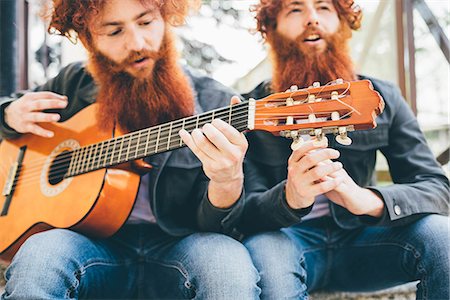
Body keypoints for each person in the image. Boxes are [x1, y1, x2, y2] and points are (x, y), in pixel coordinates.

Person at [0, 0, 260, 299]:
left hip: (181, 247)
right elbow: (13, 109)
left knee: (228, 262)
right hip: (88, 247)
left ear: (165, 18)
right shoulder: (72, 82)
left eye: (146, 23)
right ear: (89, 39)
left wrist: (226, 181)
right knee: (40, 254)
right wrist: (8, 114)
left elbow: (220, 225)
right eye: (114, 32)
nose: (137, 43)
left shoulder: (217, 102)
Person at [240, 0, 450, 299]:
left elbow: (436, 188)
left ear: (343, 24)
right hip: (285, 241)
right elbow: (240, 214)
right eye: (295, 9)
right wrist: (289, 198)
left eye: (324, 8)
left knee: (444, 237)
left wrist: (368, 200)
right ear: (271, 29)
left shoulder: (383, 96)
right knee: (268, 256)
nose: (312, 19)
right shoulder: (247, 111)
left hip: (366, 242)